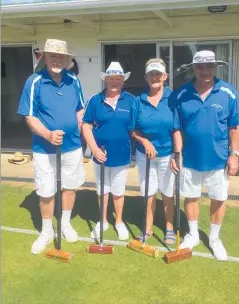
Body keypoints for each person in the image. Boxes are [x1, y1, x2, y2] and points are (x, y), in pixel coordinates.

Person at [17, 39, 85, 254]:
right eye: (52, 56)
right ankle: (46, 231)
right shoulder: (34, 81)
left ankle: (65, 224)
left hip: (72, 146)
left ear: (67, 60)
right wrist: (47, 134)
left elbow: (79, 111)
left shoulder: (74, 80)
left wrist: (84, 138)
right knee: (46, 190)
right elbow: (29, 116)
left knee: (70, 186)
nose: (56, 60)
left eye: (61, 57)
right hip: (44, 149)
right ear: (44, 58)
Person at [171, 50, 239, 261]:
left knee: (218, 199)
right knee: (190, 197)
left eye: (209, 66)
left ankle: (214, 238)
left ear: (215, 67)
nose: (205, 71)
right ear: (194, 68)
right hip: (190, 159)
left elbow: (234, 127)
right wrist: (177, 153)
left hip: (219, 159)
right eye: (200, 67)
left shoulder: (228, 92)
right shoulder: (181, 94)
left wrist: (234, 154)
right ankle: (192, 234)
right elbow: (176, 129)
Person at [82, 62, 135, 240]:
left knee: (119, 191)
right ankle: (103, 221)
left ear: (123, 81)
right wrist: (94, 150)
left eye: (118, 79)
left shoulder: (131, 100)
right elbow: (86, 126)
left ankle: (119, 221)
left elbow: (136, 127)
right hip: (100, 155)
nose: (114, 82)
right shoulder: (95, 100)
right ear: (105, 80)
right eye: (111, 79)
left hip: (122, 154)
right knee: (102, 190)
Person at [128, 58, 176, 245]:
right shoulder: (138, 101)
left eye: (158, 74)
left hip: (167, 154)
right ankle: (147, 229)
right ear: (146, 78)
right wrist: (144, 141)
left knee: (167, 193)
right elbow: (132, 129)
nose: (155, 77)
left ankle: (169, 228)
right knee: (148, 193)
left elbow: (178, 128)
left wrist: (177, 154)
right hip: (145, 155)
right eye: (151, 74)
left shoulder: (173, 98)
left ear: (165, 76)